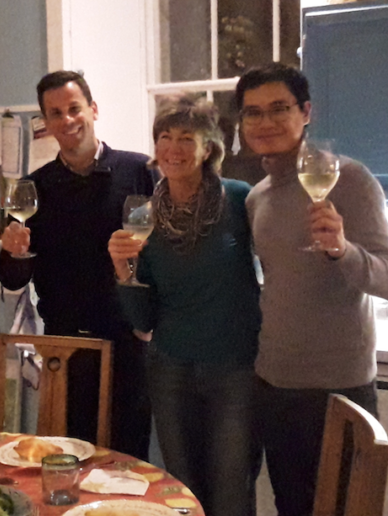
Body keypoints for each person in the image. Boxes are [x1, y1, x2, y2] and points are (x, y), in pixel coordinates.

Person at [237, 63, 388, 516]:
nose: (266, 122)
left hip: (338, 387)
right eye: (253, 112)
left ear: (305, 112)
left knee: (341, 509)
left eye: (279, 108)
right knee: (292, 506)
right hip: (275, 382)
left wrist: (341, 250)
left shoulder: (349, 179)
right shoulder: (257, 197)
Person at [108, 96, 260, 516]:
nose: (173, 148)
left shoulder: (239, 200)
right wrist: (123, 269)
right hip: (170, 369)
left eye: (186, 138)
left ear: (207, 149)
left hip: (234, 368)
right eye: (164, 137)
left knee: (231, 491)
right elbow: (143, 320)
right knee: (182, 492)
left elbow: (274, 269)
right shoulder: (144, 216)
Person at [0, 71, 155, 459]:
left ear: (93, 109)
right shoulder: (31, 188)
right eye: (55, 113)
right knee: (67, 458)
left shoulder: (139, 171)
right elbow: (13, 280)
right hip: (63, 345)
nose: (67, 120)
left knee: (128, 459)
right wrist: (12, 254)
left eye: (74, 108)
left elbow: (161, 257)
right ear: (46, 123)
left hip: (127, 341)